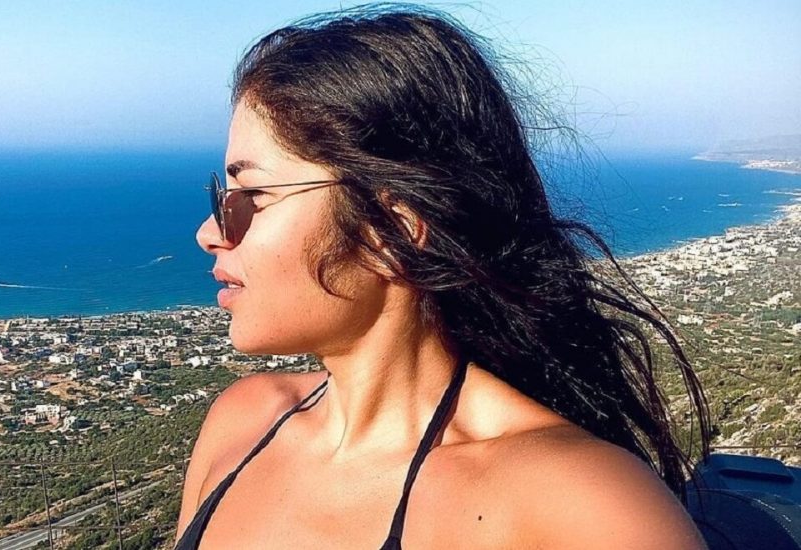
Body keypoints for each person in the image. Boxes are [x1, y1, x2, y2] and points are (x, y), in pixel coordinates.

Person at [176, 5, 710, 549]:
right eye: (224, 197)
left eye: (253, 196)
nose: (209, 232)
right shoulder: (240, 423)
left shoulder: (580, 504)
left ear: (392, 232)